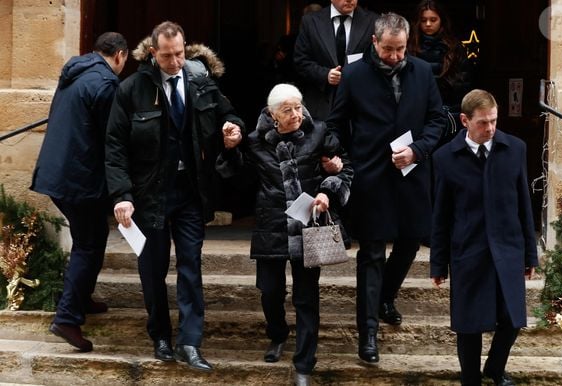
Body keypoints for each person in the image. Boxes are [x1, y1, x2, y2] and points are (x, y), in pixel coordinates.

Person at [105, 21, 244, 370]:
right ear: (153, 53)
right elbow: (115, 147)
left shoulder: (200, 79)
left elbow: (227, 112)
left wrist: (232, 129)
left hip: (190, 191)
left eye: (180, 54)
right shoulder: (132, 89)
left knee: (190, 266)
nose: (175, 62)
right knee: (152, 270)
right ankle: (161, 337)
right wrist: (121, 194)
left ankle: (191, 342)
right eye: (167, 56)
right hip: (149, 194)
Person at [326, 12, 445, 363]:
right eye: (389, 49)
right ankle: (368, 335)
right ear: (375, 43)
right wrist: (333, 155)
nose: (395, 56)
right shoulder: (354, 74)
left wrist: (417, 151)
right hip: (371, 176)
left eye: (401, 49)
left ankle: (385, 297)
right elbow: (337, 122)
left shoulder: (423, 72)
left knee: (410, 242)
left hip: (412, 174)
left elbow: (438, 119)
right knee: (372, 253)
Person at [217, 83, 353, 386]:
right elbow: (234, 178)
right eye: (287, 110)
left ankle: (304, 363)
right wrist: (230, 149)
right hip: (271, 224)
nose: (296, 115)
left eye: (298, 107)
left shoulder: (319, 132)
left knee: (306, 298)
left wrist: (329, 188)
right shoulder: (254, 141)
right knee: (270, 292)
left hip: (308, 226)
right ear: (272, 114)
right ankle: (277, 334)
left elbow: (344, 168)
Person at [430, 89, 538, 386]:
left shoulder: (515, 148)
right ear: (465, 120)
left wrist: (530, 254)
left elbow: (524, 205)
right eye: (482, 122)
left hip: (508, 249)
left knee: (513, 320)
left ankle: (494, 367)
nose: (490, 128)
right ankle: (470, 379)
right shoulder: (444, 158)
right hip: (468, 250)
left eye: (494, 120)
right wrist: (438, 263)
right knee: (469, 325)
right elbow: (440, 215)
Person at [30, 32, 128, 352]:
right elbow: (111, 138)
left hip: (56, 174)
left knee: (88, 237)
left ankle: (81, 299)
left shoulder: (74, 72)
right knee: (90, 243)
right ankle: (68, 317)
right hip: (78, 178)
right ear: (120, 55)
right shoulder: (105, 83)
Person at [294, 0, 377, 120]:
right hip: (321, 102)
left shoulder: (373, 21)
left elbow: (379, 59)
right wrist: (325, 74)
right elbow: (300, 61)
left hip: (360, 105)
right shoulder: (311, 21)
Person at [408, 0, 473, 144]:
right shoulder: (409, 47)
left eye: (433, 20)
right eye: (423, 20)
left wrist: (452, 115)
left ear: (441, 20)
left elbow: (462, 86)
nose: (428, 24)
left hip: (448, 112)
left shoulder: (455, 49)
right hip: (417, 113)